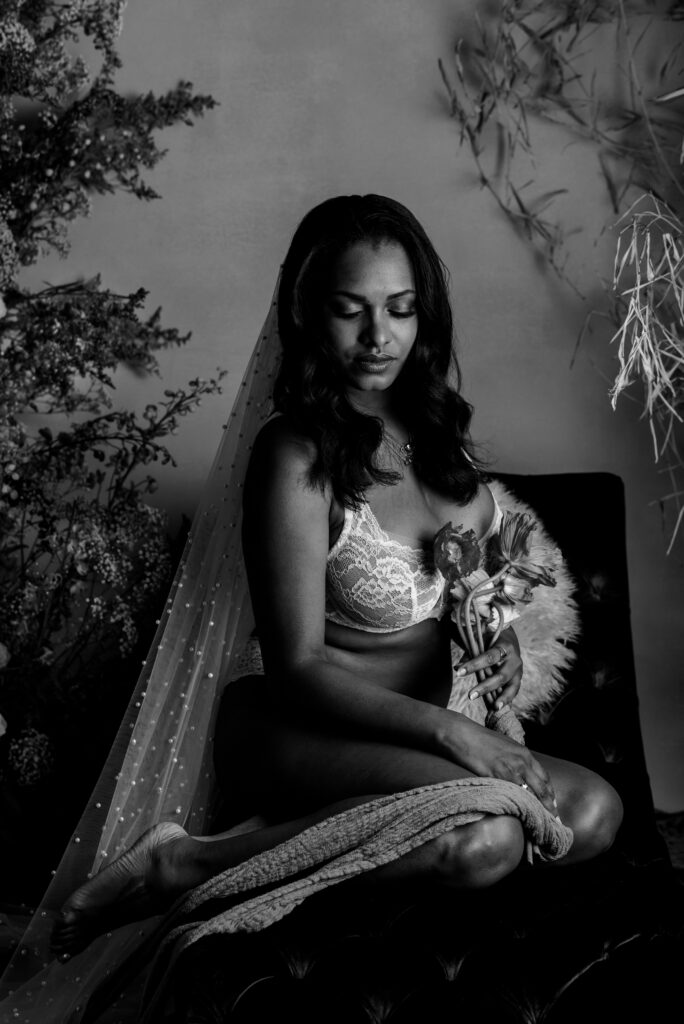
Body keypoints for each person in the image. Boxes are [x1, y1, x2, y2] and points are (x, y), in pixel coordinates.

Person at [48, 194, 623, 962]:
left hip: (413, 725)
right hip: (299, 726)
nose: (378, 336)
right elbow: (299, 670)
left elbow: (463, 590)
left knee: (592, 810)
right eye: (351, 310)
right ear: (309, 315)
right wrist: (456, 736)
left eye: (400, 308)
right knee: (485, 841)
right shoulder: (295, 456)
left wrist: (502, 644)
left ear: (426, 315)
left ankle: (319, 836)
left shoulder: (435, 440)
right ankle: (184, 862)